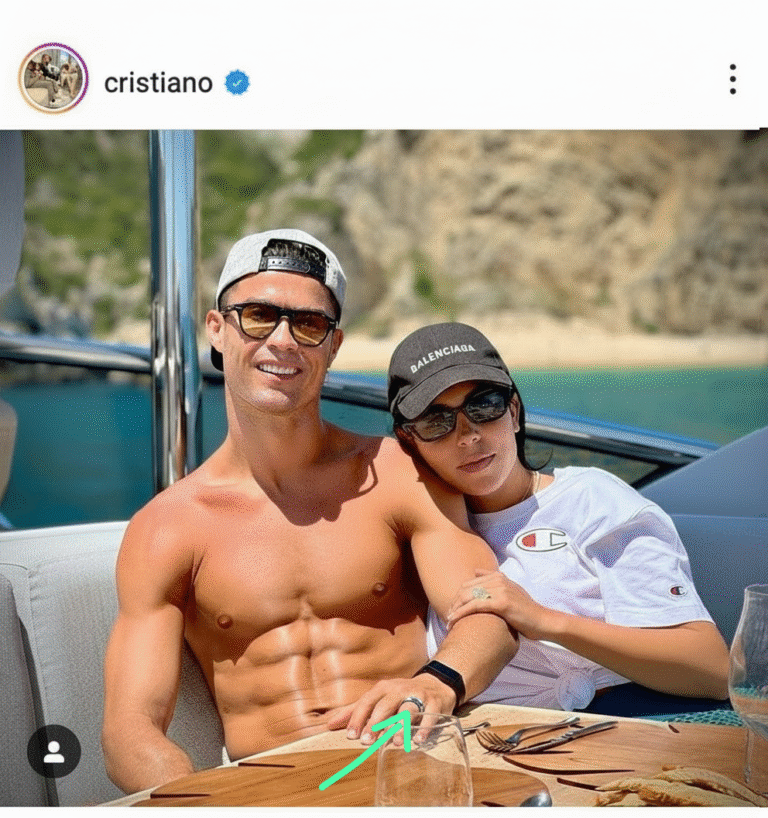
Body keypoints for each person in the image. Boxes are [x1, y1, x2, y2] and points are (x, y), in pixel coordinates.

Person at [102, 231, 516, 794]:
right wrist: (202, 805)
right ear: (217, 329)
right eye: (257, 316)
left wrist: (436, 683)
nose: (282, 340)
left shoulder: (398, 474)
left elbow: (489, 613)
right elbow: (130, 731)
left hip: (412, 767)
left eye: (308, 324)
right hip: (275, 792)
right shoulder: (167, 528)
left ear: (334, 344)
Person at [387, 322, 730, 717]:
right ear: (409, 441)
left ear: (514, 412)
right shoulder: (421, 533)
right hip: (495, 735)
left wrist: (544, 620)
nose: (467, 435)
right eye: (436, 422)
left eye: (484, 406)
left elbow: (711, 669)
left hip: (625, 719)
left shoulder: (592, 501)